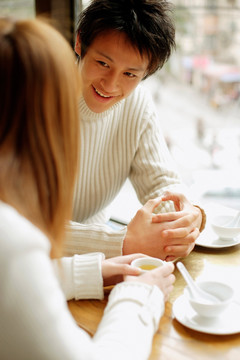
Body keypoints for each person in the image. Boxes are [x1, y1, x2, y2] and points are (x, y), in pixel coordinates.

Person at [0, 17, 175, 360]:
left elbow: (21, 278)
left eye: (131, 73)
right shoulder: (14, 240)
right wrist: (138, 294)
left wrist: (92, 271)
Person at [64, 0, 206, 262]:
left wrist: (183, 218)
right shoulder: (38, 96)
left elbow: (161, 183)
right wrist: (123, 244)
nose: (111, 84)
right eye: (103, 63)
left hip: (99, 254)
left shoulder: (137, 103)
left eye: (130, 74)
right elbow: (20, 225)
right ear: (79, 42)